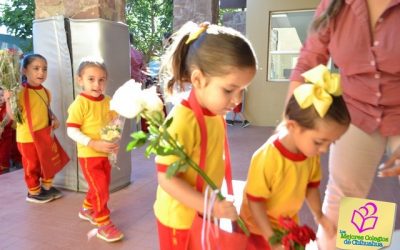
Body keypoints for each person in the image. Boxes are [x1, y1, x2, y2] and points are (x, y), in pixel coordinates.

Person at [286, 0, 400, 249]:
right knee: (342, 200)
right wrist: (290, 123)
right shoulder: (334, 5)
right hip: (356, 112)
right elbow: (309, 60)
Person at [154, 21, 257, 249]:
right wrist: (210, 206)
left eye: (243, 90)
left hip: (204, 212)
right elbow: (167, 178)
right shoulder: (181, 121)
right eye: (229, 90)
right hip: (179, 221)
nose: (238, 100)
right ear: (198, 79)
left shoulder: (214, 112)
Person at [242, 66, 351, 250]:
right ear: (293, 126)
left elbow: (311, 186)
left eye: (331, 143)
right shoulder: (267, 157)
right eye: (319, 142)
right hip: (256, 229)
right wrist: (271, 239)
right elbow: (255, 202)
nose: (323, 150)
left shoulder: (310, 153)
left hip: (285, 225)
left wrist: (320, 216)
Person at [66, 57, 123, 243]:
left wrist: (115, 139)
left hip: (106, 153)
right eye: (91, 79)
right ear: (80, 80)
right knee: (100, 189)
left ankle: (86, 208)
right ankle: (103, 223)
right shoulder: (79, 104)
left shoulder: (109, 100)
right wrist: (92, 143)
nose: (97, 84)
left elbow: (114, 124)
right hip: (89, 155)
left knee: (101, 186)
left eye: (102, 79)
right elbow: (71, 130)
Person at [4, 54, 62, 203]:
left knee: (48, 162)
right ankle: (34, 191)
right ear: (24, 71)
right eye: (36, 68)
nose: (41, 73)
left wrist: (54, 118)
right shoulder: (20, 92)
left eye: (44, 69)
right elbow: (13, 116)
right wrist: (8, 100)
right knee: (32, 165)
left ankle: (47, 187)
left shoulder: (46, 91)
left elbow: (46, 109)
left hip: (44, 135)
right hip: (27, 138)